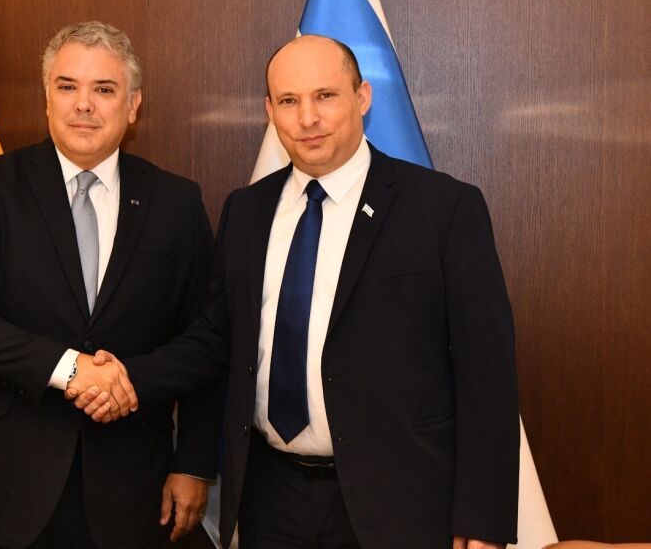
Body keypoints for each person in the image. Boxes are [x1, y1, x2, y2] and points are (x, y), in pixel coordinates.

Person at [75, 35, 519, 548]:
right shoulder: (246, 211)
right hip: (270, 496)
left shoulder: (443, 209)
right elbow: (215, 340)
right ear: (270, 110)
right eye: (288, 101)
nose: (307, 118)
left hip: (399, 500)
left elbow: (487, 372)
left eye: (325, 96)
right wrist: (128, 375)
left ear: (363, 97)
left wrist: (481, 518)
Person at [0, 21, 221, 549]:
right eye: (68, 87)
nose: (84, 104)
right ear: (47, 98)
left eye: (104, 89)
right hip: (2, 486)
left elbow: (205, 340)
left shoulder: (175, 203)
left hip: (134, 488)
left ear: (133, 106)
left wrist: (194, 463)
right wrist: (72, 369)